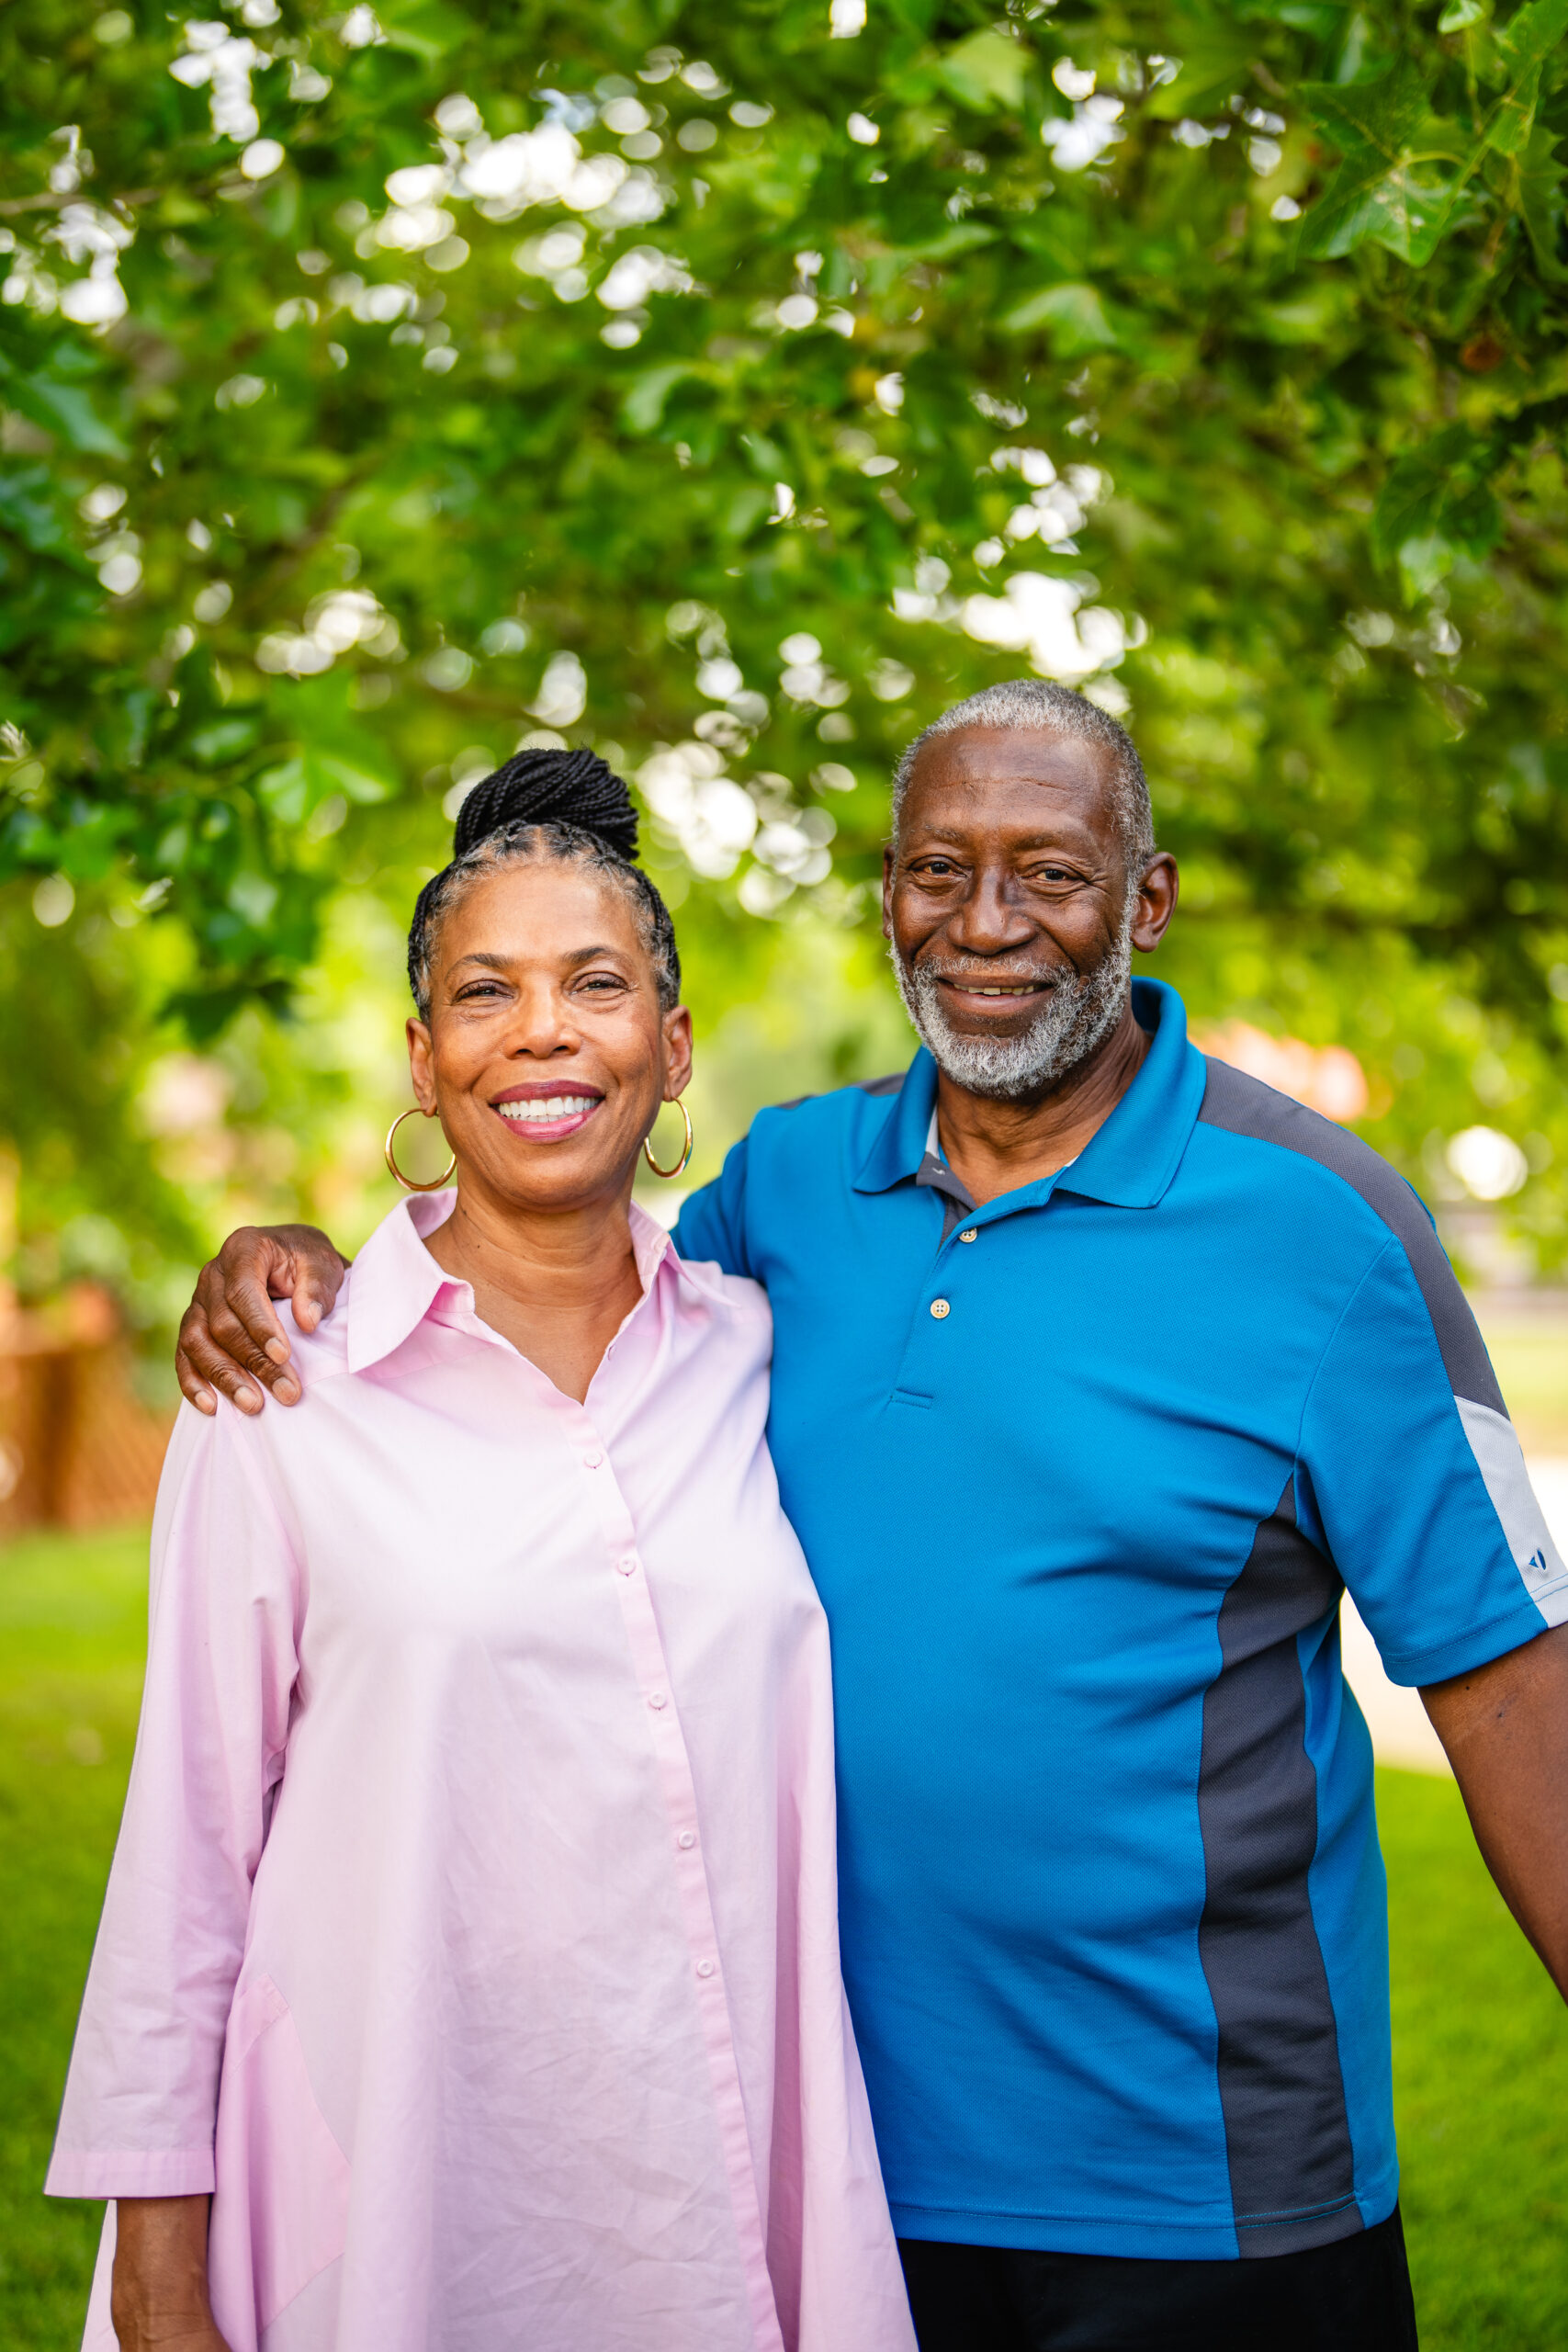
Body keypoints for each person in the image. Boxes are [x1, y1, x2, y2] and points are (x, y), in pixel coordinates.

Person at [173, 683, 1568, 2352]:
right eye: (936, 870)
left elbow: (1513, 1697)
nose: (986, 924)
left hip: (1208, 2190)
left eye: (1049, 872)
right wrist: (303, 1264)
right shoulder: (786, 1194)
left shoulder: (1334, 1233)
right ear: (890, 892)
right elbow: (546, 1281)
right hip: (825, 2188)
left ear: (1148, 895)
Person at [47, 751, 917, 2352]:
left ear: (671, 1048)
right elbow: (183, 1853)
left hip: (705, 2183)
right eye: (485, 991)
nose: (541, 1031)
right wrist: (153, 2263)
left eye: (596, 984)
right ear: (424, 1056)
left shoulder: (760, 1354)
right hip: (386, 2189)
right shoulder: (281, 1395)